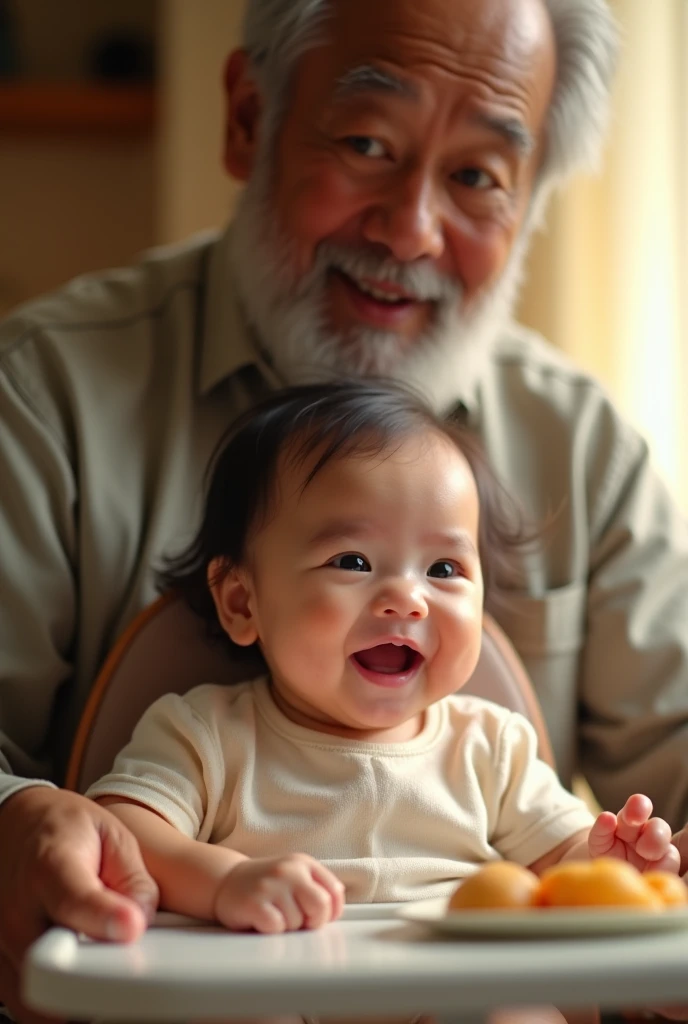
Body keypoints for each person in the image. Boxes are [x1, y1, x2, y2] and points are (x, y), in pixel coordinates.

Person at [3, 0, 688, 1019]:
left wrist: (630, 853)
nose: (410, 229)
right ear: (248, 117)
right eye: (367, 143)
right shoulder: (43, 391)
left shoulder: (578, 445)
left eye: (475, 176)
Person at [86, 380, 680, 939]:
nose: (407, 599)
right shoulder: (206, 736)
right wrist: (222, 882)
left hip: (447, 990)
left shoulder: (491, 748)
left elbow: (559, 861)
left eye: (443, 570)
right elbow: (120, 832)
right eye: (352, 561)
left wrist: (607, 864)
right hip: (270, 978)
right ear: (243, 602)